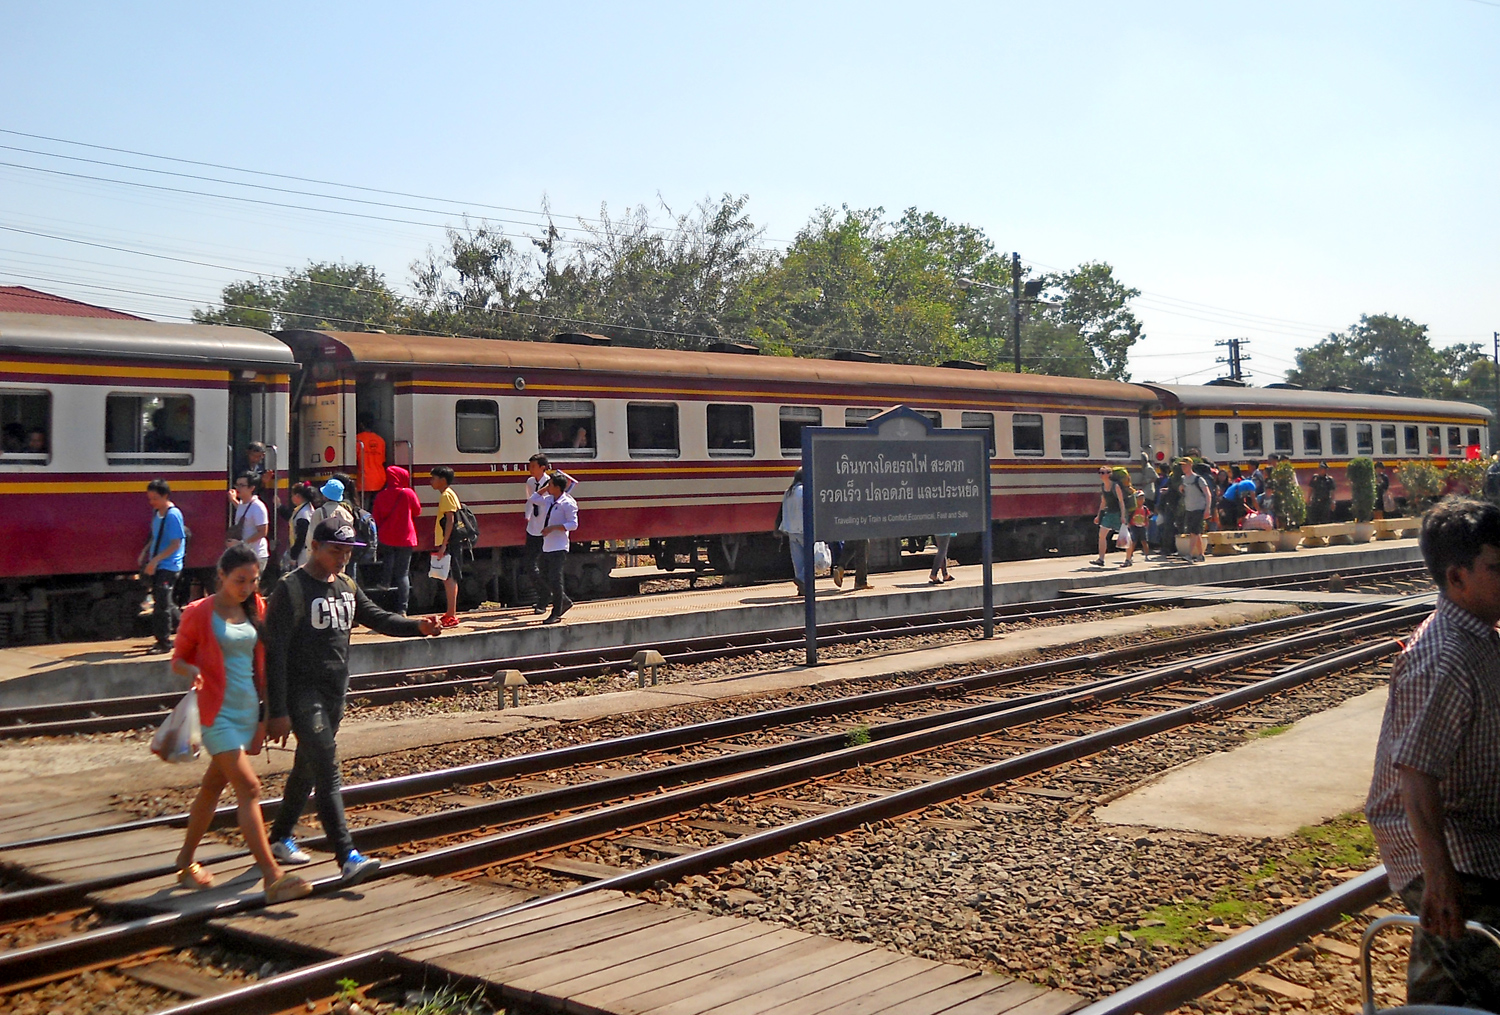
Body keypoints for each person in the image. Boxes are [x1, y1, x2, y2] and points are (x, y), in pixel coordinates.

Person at [1365, 498, 1500, 1009]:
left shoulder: (1481, 637)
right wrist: (1439, 876)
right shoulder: (1443, 656)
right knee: (1466, 981)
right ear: (1456, 577)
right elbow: (1415, 775)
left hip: (1479, 836)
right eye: (1497, 567)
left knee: (1458, 982)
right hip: (1451, 847)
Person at [264, 520, 441, 884]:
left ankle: (280, 836)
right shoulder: (291, 588)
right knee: (328, 768)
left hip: (335, 691)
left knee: (308, 767)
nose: (342, 558)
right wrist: (277, 710)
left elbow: (377, 617)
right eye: (335, 551)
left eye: (347, 552)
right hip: (302, 693)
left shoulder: (345, 586)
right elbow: (275, 653)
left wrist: (417, 626)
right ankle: (347, 856)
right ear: (314, 546)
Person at [168, 545, 311, 904]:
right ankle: (272, 876)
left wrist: (267, 714)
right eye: (239, 580)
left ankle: (185, 861)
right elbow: (178, 659)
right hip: (215, 713)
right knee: (248, 789)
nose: (246, 587)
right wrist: (194, 671)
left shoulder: (256, 607)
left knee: (213, 786)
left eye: (252, 580)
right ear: (221, 576)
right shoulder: (199, 612)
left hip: (247, 710)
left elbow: (263, 662)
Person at [524, 456, 577, 614]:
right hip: (533, 528)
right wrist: (527, 517)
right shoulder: (530, 482)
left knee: (547, 570)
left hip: (546, 532)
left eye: (533, 466)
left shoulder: (554, 483)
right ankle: (555, 598)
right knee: (530, 566)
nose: (530, 469)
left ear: (543, 467)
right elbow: (530, 501)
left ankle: (546, 600)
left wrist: (547, 487)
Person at [141, 479, 186, 654]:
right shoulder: (158, 513)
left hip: (168, 565)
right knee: (166, 602)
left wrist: (155, 560)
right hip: (159, 563)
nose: (152, 502)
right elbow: (155, 535)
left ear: (165, 496)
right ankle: (190, 629)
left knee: (161, 606)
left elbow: (176, 543)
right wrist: (145, 553)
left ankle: (164, 643)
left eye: (155, 498)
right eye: (150, 498)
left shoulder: (172, 515)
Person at [372, 466, 421, 614]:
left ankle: (385, 582)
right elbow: (417, 511)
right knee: (403, 574)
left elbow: (376, 517)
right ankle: (402, 609)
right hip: (406, 537)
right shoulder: (408, 493)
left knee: (388, 558)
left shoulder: (381, 495)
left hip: (387, 536)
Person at [538, 472, 579, 624]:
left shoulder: (567, 503)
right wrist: (544, 489)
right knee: (543, 575)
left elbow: (573, 524)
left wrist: (554, 528)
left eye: (550, 485)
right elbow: (534, 499)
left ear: (557, 487)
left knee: (555, 579)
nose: (547, 487)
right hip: (547, 546)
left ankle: (556, 612)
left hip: (559, 546)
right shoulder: (549, 500)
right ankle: (564, 601)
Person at [429, 466, 462, 627]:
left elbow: (450, 520)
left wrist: (443, 545)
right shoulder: (449, 494)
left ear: (442, 480)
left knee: (448, 578)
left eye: (433, 478)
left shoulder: (446, 496)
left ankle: (452, 615)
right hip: (449, 542)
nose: (431, 482)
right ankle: (450, 613)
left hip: (448, 543)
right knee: (448, 578)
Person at [777, 469, 810, 594]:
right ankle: (801, 579)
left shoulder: (788, 492)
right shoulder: (804, 491)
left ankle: (802, 589)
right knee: (813, 557)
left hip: (791, 530)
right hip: (804, 529)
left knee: (798, 561)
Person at [229, 473, 270, 571]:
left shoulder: (258, 506)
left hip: (256, 555)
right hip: (246, 554)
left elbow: (263, 532)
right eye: (237, 485)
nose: (238, 488)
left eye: (242, 485)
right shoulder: (243, 503)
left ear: (252, 488)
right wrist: (233, 500)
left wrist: (241, 543)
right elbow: (244, 512)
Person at [1092, 466, 1128, 567]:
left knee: (1125, 537)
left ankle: (1128, 558)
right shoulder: (1103, 486)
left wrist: (1123, 516)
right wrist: (1098, 516)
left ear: (1109, 474)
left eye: (1103, 473)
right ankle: (1101, 559)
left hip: (1117, 513)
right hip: (1109, 513)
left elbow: (1121, 502)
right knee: (1101, 535)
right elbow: (1103, 502)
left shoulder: (1115, 486)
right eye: (1100, 473)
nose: (1101, 475)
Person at [1178, 458, 1213, 563]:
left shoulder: (1199, 479)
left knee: (1193, 531)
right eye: (1182, 466)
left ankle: (1190, 554)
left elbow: (1208, 494)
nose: (1183, 468)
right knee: (1196, 532)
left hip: (1199, 508)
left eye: (1185, 465)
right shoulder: (1183, 479)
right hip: (1189, 508)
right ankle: (1201, 555)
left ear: (1190, 465)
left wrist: (1208, 509)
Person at [355, 414, 386, 508]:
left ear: (360, 424)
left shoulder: (357, 439)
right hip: (380, 479)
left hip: (364, 480)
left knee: (364, 509)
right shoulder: (380, 440)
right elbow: (383, 460)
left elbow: (354, 460)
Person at [283, 483, 315, 572]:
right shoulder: (305, 509)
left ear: (297, 496)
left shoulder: (303, 514)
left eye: (292, 495)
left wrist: (294, 556)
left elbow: (301, 537)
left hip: (303, 553)